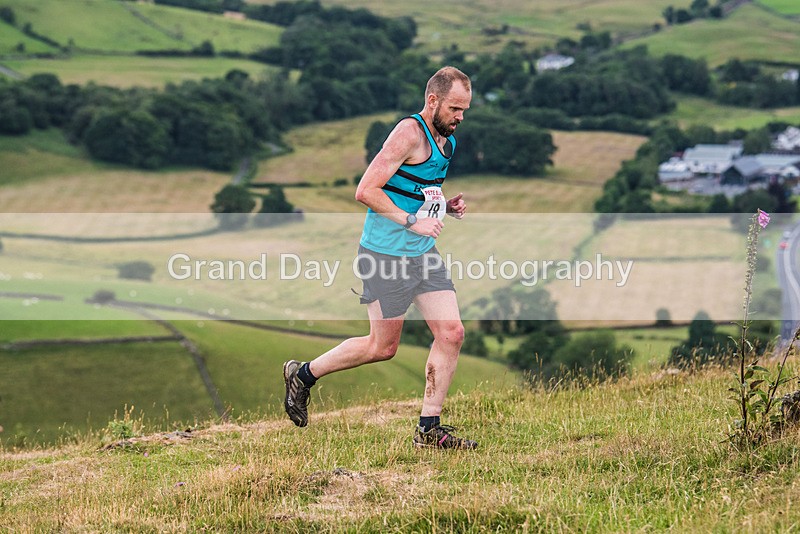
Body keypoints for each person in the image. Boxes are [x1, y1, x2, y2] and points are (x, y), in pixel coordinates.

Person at [283, 66, 477, 449]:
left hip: (421, 254)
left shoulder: (446, 142)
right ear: (432, 99)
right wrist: (411, 221)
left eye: (465, 111)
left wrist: (443, 207)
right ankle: (303, 375)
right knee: (382, 348)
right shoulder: (408, 133)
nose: (460, 118)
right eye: (455, 108)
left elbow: (418, 188)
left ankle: (429, 428)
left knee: (452, 333)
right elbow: (366, 190)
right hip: (385, 254)